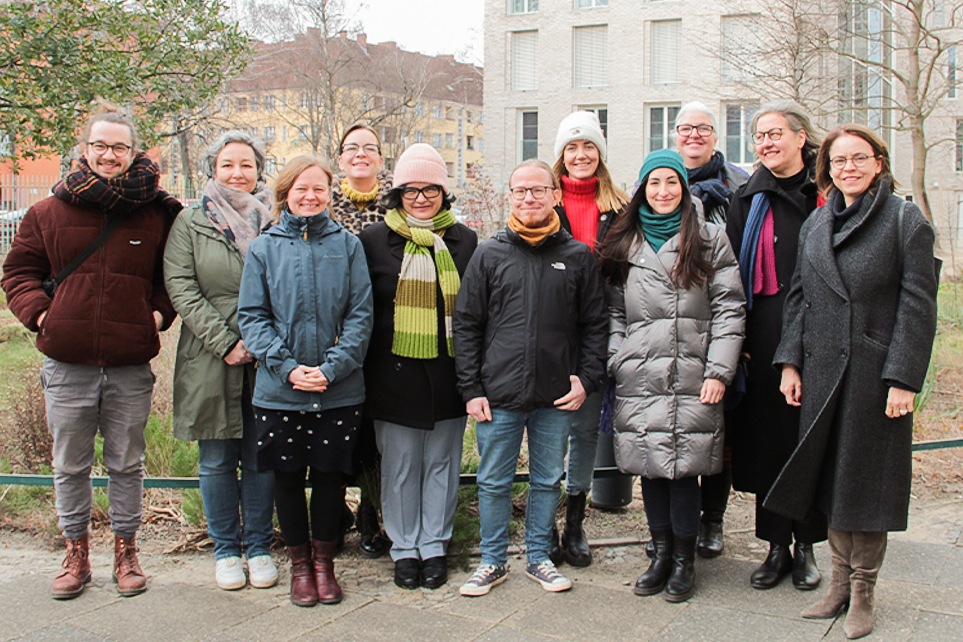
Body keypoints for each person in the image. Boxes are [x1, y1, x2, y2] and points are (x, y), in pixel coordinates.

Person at [2, 105, 180, 599]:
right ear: (85, 149)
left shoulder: (156, 214)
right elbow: (17, 274)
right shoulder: (47, 212)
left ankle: (126, 551)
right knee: (70, 464)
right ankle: (75, 552)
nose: (109, 154)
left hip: (129, 365)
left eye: (119, 147)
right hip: (67, 363)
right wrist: (43, 316)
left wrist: (158, 317)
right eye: (100, 145)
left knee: (127, 463)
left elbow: (171, 279)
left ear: (132, 152)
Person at [769, 124, 938, 639]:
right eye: (839, 161)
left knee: (865, 483)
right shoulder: (817, 223)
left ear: (879, 163)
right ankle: (838, 583)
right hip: (821, 371)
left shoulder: (905, 221)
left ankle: (863, 590)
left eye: (859, 159)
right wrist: (791, 363)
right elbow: (798, 297)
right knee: (830, 478)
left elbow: (918, 306)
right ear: (828, 170)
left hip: (874, 375)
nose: (849, 168)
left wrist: (904, 379)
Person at [454, 159, 607, 598]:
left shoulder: (577, 256)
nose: (529, 199)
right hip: (497, 394)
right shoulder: (490, 253)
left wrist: (587, 378)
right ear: (510, 196)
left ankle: (539, 556)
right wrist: (471, 389)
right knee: (494, 480)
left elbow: (596, 325)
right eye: (520, 191)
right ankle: (492, 561)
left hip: (556, 394)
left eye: (538, 190)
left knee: (546, 479)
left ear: (555, 195)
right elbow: (467, 325)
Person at [598, 149, 744, 603]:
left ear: (684, 189)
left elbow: (729, 309)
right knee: (651, 467)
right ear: (642, 187)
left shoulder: (709, 238)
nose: (663, 192)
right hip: (640, 372)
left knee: (684, 470)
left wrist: (720, 370)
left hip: (692, 370)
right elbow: (613, 311)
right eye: (654, 182)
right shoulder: (625, 238)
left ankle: (684, 560)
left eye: (672, 183)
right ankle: (660, 554)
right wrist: (616, 357)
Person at [237, 155, 373, 607]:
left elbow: (360, 315)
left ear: (329, 193)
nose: (310, 196)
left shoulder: (348, 245)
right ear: (285, 193)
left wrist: (332, 368)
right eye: (301, 188)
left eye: (319, 188)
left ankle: (324, 564)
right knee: (288, 479)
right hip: (279, 391)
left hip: (338, 389)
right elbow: (253, 318)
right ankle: (299, 566)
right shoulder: (263, 248)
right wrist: (287, 367)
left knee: (331, 478)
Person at [358, 143, 477, 590]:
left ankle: (435, 545)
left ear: (444, 193)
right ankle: (404, 547)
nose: (422, 198)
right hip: (393, 372)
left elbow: (474, 311)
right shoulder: (372, 241)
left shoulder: (466, 241)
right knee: (401, 464)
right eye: (412, 190)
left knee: (442, 463)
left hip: (450, 372)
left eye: (431, 189)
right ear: (398, 193)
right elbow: (362, 309)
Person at [163, 131, 277, 591]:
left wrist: (265, 342)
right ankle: (226, 550)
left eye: (246, 164)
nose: (237, 173)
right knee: (215, 457)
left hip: (267, 356)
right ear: (213, 168)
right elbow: (181, 286)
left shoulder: (275, 218)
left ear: (258, 169)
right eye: (228, 164)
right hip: (210, 356)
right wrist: (227, 341)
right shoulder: (191, 221)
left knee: (260, 456)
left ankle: (260, 545)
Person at [726, 101, 828, 592]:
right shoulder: (748, 197)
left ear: (801, 137)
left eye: (775, 134)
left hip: (821, 331)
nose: (766, 143)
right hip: (764, 334)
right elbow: (731, 275)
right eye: (759, 136)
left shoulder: (825, 192)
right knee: (768, 441)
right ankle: (774, 545)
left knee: (807, 439)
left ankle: (806, 544)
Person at [550, 111, 629, 568]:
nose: (580, 155)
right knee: (550, 434)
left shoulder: (620, 207)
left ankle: (576, 524)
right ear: (561, 155)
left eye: (588, 147)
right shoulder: (544, 201)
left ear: (599, 153)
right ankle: (548, 522)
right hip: (550, 333)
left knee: (583, 434)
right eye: (572, 148)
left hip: (599, 332)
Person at [671, 101, 749, 559]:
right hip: (670, 327)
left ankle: (712, 521)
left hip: (719, 323)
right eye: (686, 128)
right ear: (675, 134)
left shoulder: (737, 184)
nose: (693, 136)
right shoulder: (656, 182)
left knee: (719, 431)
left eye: (702, 128)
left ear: (715, 136)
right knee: (674, 429)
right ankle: (676, 526)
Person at [329, 123, 392, 558]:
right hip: (331, 331)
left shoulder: (398, 206)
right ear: (339, 159)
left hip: (384, 333)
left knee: (375, 432)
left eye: (369, 148)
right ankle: (332, 514)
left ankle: (373, 515)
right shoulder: (319, 202)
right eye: (352, 148)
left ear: (381, 159)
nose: (360, 154)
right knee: (333, 429)